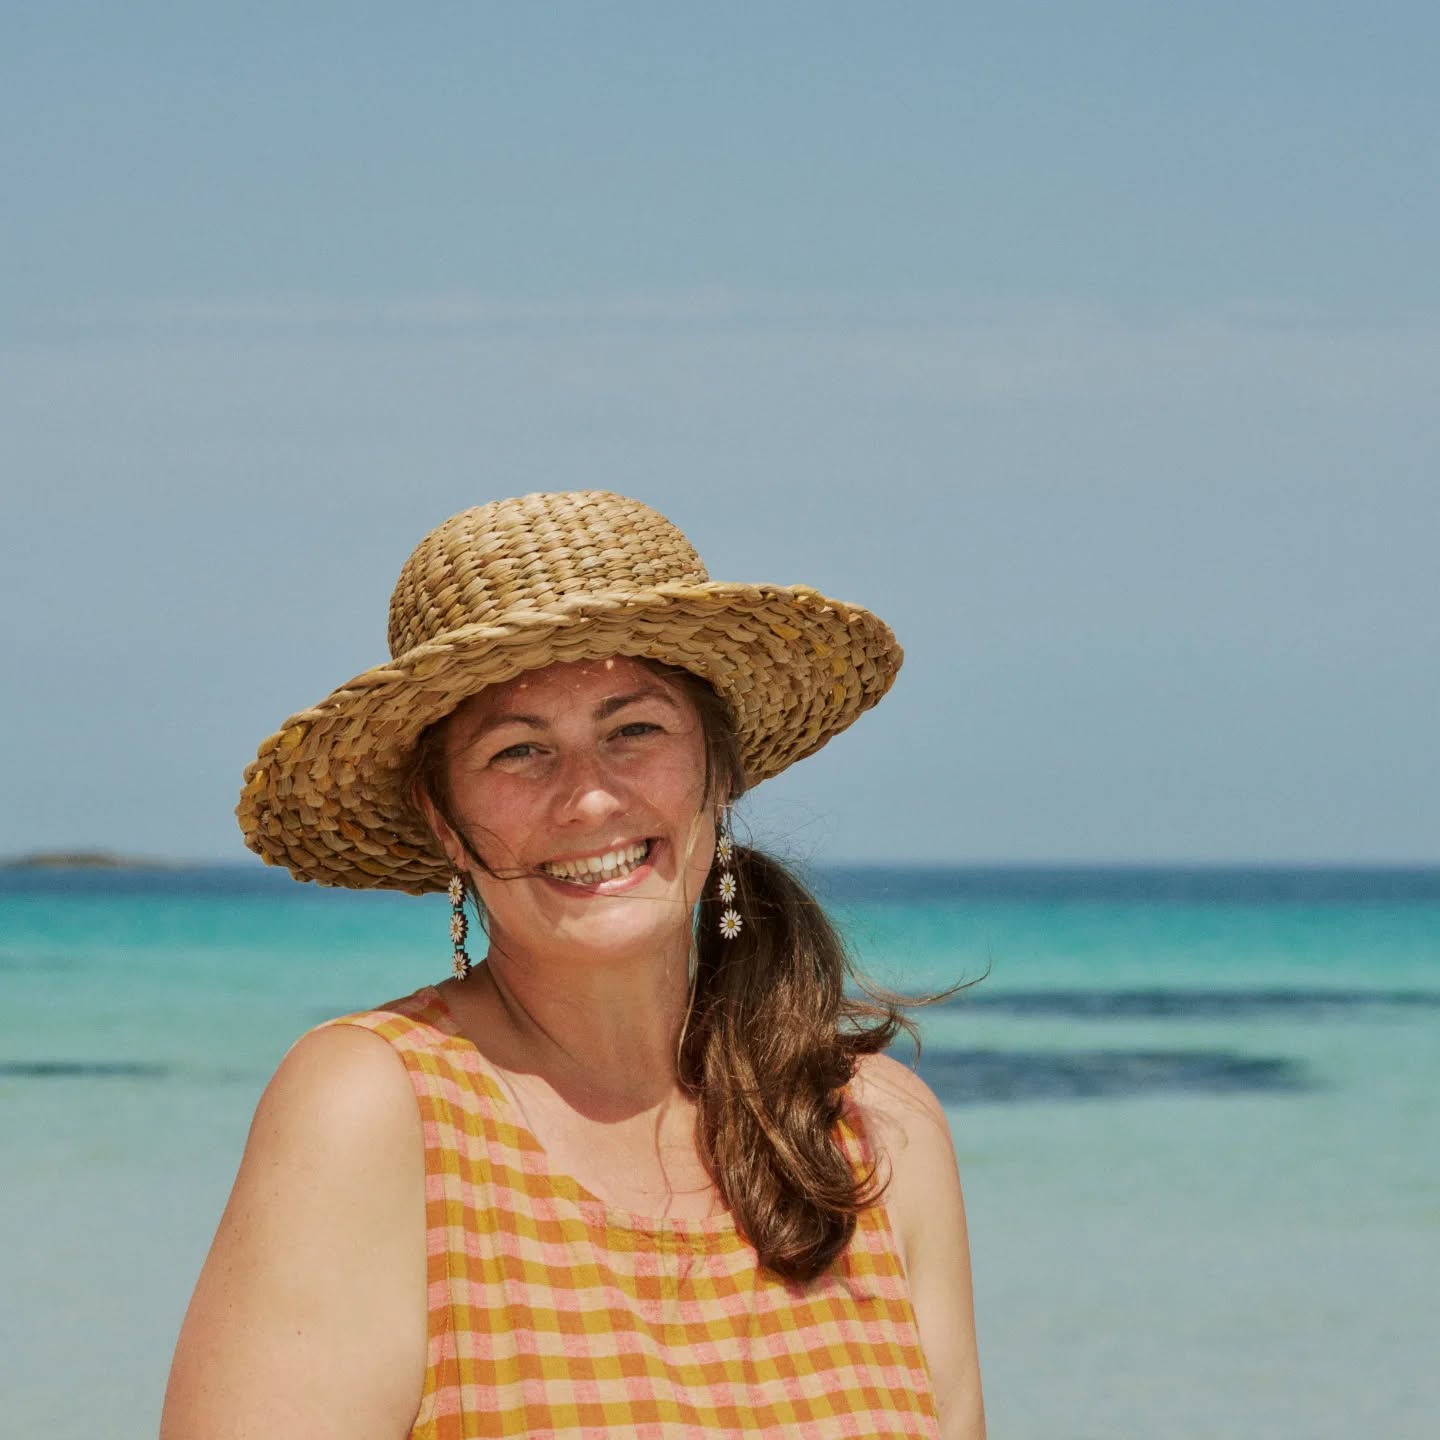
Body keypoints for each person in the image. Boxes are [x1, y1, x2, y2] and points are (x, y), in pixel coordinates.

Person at [161, 489, 985, 1440]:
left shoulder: (873, 1129)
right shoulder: (376, 1106)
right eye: (519, 751)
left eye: (634, 731)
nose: (589, 798)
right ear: (447, 823)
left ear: (718, 773)